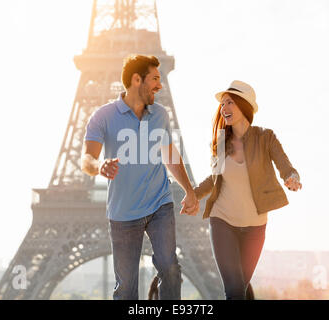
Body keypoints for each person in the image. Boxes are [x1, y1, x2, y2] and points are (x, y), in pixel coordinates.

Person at [81, 54, 199, 300]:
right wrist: (99, 166)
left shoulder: (160, 114)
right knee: (126, 288)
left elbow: (170, 154)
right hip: (124, 212)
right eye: (154, 78)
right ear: (137, 80)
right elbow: (86, 158)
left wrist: (189, 190)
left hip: (160, 204)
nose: (160, 84)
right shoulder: (103, 116)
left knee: (170, 268)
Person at [181, 80, 302, 300]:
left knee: (240, 290)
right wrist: (193, 194)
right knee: (235, 289)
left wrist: (292, 177)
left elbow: (285, 166)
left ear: (244, 105)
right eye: (223, 103)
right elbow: (215, 180)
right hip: (223, 221)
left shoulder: (266, 137)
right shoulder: (221, 142)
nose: (224, 108)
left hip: (255, 228)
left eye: (230, 103)